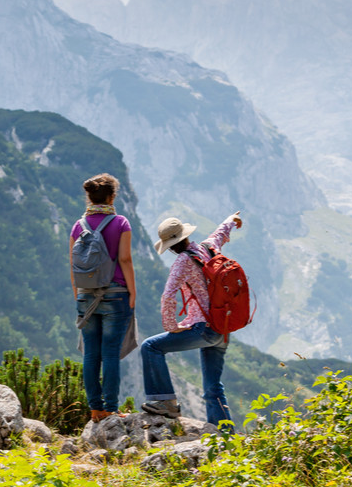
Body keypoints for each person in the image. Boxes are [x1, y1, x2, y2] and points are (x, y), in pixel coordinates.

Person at [141, 211, 243, 427]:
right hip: (221, 329)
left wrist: (172, 326)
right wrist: (231, 220)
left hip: (202, 329)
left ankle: (165, 402)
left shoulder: (182, 261)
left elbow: (168, 295)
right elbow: (219, 234)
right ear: (185, 235)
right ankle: (224, 437)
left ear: (169, 245)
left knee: (150, 347)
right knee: (213, 388)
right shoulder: (207, 247)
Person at [70, 173, 137, 423]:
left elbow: (73, 264)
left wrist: (79, 295)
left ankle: (95, 409)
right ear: (112, 196)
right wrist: (132, 291)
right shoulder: (120, 223)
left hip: (85, 296)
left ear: (89, 197)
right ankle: (110, 408)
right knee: (110, 353)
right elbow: (125, 259)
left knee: (90, 354)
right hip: (116, 295)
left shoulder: (78, 226)